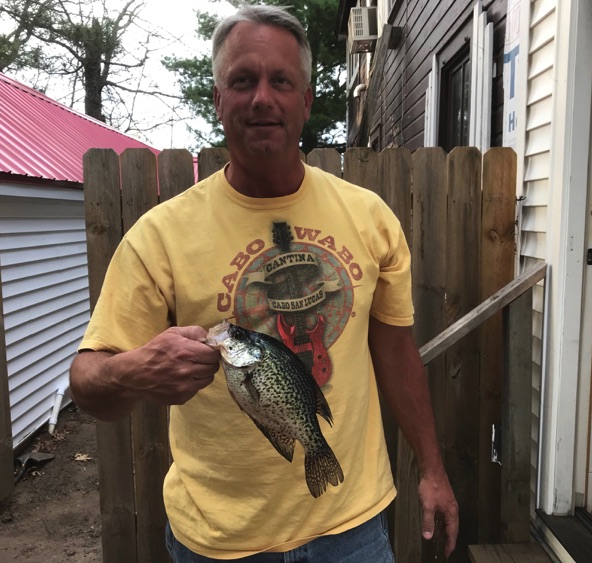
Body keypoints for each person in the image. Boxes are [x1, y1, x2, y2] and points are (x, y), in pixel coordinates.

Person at [69, 5, 458, 562]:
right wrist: (130, 371)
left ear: (306, 100)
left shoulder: (370, 217)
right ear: (218, 99)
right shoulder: (159, 236)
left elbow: (395, 352)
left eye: (281, 81)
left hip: (353, 529)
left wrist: (434, 470)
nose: (262, 98)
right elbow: (87, 383)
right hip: (218, 542)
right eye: (242, 81)